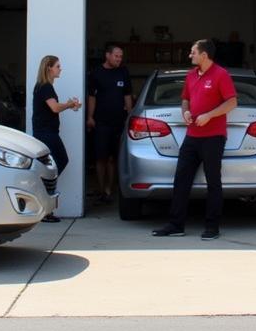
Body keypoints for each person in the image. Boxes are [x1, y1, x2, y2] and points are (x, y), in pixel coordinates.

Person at [152, 38, 237, 241]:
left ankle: (212, 226)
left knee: (213, 182)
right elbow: (185, 99)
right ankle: (176, 224)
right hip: (192, 136)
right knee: (181, 180)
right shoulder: (191, 75)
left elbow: (232, 102)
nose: (190, 55)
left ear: (204, 55)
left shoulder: (221, 74)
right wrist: (186, 112)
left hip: (213, 138)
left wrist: (209, 115)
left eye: (193, 52)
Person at [31, 55, 81, 222]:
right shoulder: (45, 87)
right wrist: (69, 104)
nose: (60, 69)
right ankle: (44, 197)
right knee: (57, 163)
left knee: (53, 166)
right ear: (49, 68)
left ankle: (44, 200)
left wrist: (68, 105)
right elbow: (54, 108)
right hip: (46, 133)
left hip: (45, 132)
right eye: (58, 66)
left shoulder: (43, 87)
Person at [86, 42, 133, 204]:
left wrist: (130, 116)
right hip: (101, 122)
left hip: (118, 121)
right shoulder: (97, 73)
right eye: (116, 56)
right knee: (101, 157)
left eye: (121, 56)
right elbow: (91, 96)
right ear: (107, 55)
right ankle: (101, 189)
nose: (119, 59)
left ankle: (109, 189)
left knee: (113, 158)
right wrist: (90, 117)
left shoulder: (123, 72)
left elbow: (127, 95)